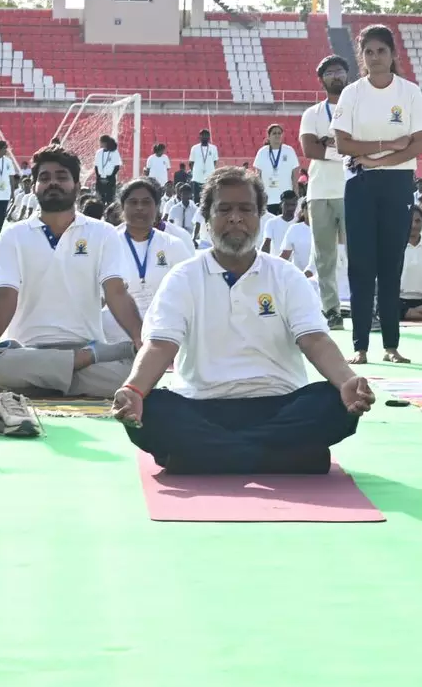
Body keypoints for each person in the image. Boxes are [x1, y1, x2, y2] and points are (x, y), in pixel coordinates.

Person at [112, 166, 373, 474]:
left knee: (334, 402)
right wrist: (134, 389)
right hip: (202, 404)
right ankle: (283, 456)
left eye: (245, 209)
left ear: (260, 216)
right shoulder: (183, 277)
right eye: (224, 209)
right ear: (207, 218)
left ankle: (205, 457)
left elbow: (315, 340)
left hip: (280, 402)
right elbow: (159, 346)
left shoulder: (286, 275)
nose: (235, 218)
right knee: (151, 410)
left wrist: (346, 380)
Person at [0, 147, 144, 415]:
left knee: (139, 376)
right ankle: (78, 363)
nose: (53, 183)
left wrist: (140, 340)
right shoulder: (14, 235)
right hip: (29, 349)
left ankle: (45, 379)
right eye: (45, 177)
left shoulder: (102, 233)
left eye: (62, 177)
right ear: (34, 185)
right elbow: (4, 297)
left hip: (80, 344)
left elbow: (116, 293)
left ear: (76, 184)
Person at [332, 25, 422, 366]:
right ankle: (360, 345)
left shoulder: (409, 93)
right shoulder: (352, 94)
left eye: (381, 51)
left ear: (393, 55)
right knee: (361, 265)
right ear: (362, 57)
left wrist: (383, 159)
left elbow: (418, 143)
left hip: (398, 182)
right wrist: (387, 144)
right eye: (369, 52)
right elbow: (342, 143)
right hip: (359, 183)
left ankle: (391, 344)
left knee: (391, 265)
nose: (375, 58)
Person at [297, 54, 350, 324]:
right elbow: (309, 149)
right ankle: (331, 310)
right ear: (321, 80)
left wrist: (328, 146)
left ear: (347, 75)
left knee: (359, 254)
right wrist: (345, 150)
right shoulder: (312, 114)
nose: (335, 75)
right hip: (318, 193)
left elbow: (365, 145)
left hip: (352, 189)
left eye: (339, 70)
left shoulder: (358, 109)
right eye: (329, 72)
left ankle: (366, 307)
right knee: (324, 256)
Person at [108, 178, 195, 336]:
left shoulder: (174, 244)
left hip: (162, 336)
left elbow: (191, 293)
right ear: (122, 207)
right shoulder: (107, 244)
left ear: (156, 207)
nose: (140, 208)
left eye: (146, 202)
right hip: (115, 337)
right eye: (133, 202)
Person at [253, 123, 300, 203]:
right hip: (267, 198)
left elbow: (295, 175)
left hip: (286, 199)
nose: (277, 135)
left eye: (279, 133)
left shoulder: (289, 151)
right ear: (268, 136)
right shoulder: (262, 152)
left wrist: (296, 193)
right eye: (274, 133)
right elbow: (257, 176)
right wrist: (258, 195)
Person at [93, 135, 124, 206]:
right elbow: (96, 165)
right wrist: (98, 176)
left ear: (105, 143)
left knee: (110, 199)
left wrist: (111, 176)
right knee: (100, 199)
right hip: (100, 178)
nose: (99, 144)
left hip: (110, 178)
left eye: (100, 142)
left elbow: (117, 166)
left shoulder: (114, 152)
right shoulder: (99, 152)